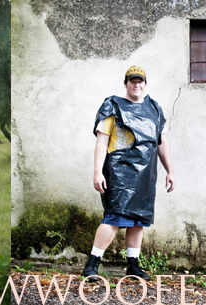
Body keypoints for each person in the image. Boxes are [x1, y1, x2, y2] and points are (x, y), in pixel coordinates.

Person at [82, 66, 175, 281]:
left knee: (138, 220)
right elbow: (101, 141)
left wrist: (170, 171)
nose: (136, 85)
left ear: (145, 83)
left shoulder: (154, 109)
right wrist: (98, 172)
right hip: (119, 173)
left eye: (140, 81)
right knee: (113, 218)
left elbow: (161, 143)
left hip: (145, 174)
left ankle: (133, 266)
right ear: (126, 83)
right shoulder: (112, 106)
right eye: (132, 81)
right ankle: (92, 265)